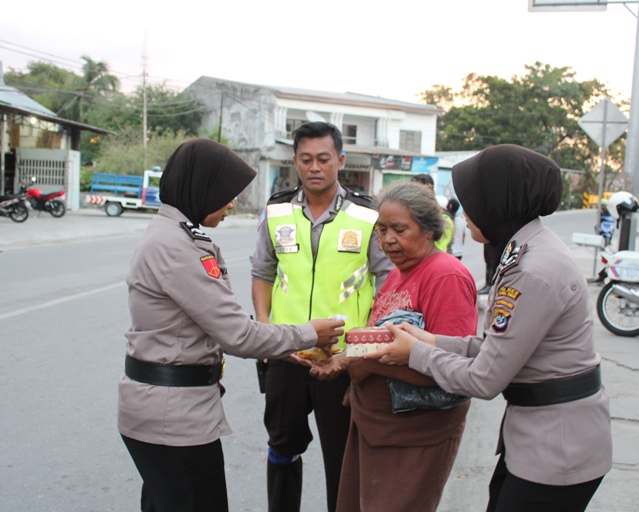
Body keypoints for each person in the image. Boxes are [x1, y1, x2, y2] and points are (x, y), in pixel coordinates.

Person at [367, 144, 612, 512]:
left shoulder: (532, 271)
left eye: (472, 201)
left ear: (498, 200)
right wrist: (431, 340)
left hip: (557, 449)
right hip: (539, 437)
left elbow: (484, 379)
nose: (463, 215)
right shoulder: (526, 250)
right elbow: (494, 346)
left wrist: (415, 353)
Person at [117, 138, 346, 512]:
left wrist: (287, 349)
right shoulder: (177, 247)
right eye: (226, 194)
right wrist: (310, 333)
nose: (232, 204)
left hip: (167, 412)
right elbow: (238, 333)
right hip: (173, 420)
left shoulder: (175, 235)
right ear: (202, 188)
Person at [250, 122, 393, 512]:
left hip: (342, 360)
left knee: (342, 459)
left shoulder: (367, 216)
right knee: (282, 448)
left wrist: (365, 347)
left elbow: (387, 283)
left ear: (340, 161)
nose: (315, 167)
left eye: (324, 159)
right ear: (295, 161)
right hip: (286, 353)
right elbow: (262, 273)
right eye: (306, 159)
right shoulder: (276, 210)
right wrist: (263, 327)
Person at [312, 182, 478, 512]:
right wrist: (343, 357)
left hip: (414, 436)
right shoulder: (398, 273)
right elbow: (383, 341)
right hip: (376, 426)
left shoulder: (446, 276)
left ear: (430, 229)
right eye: (381, 230)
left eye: (399, 229)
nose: (388, 240)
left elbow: (452, 370)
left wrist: (366, 363)